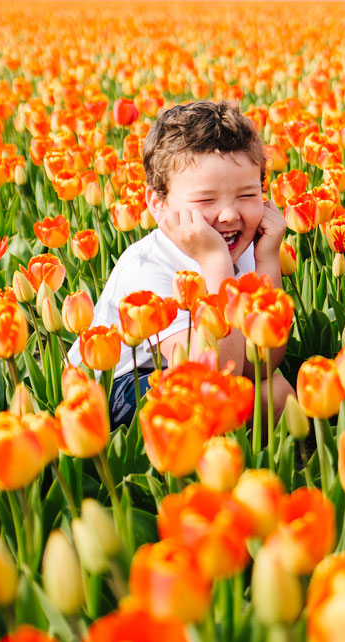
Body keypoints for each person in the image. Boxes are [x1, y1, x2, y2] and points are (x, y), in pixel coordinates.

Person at [68, 99, 294, 429]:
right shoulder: (147, 269)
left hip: (188, 373)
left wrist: (268, 259)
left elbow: (263, 363)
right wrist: (215, 262)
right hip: (117, 391)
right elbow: (218, 370)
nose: (229, 214)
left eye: (248, 195)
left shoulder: (242, 245)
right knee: (248, 398)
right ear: (157, 204)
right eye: (206, 200)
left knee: (276, 392)